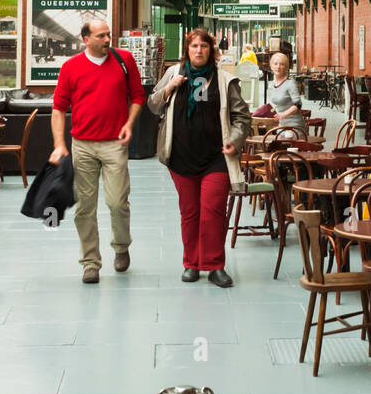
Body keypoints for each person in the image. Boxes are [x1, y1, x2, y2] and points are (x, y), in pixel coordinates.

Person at [147, 28, 251, 288]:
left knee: (212, 211)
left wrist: (235, 139)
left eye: (204, 46)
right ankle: (191, 263)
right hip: (181, 156)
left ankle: (215, 265)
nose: (198, 50)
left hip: (216, 157)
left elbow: (242, 116)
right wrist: (169, 87)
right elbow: (153, 105)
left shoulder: (224, 80)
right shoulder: (174, 73)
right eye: (194, 46)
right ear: (187, 50)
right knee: (190, 212)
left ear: (211, 51)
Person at [50, 20, 144, 284]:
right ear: (86, 39)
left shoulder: (124, 60)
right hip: (83, 145)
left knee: (117, 202)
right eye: (101, 36)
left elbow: (138, 96)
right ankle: (90, 263)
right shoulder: (71, 67)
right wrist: (59, 144)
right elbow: (58, 108)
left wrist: (129, 124)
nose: (107, 40)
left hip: (115, 144)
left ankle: (121, 245)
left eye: (108, 34)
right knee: (85, 208)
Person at [267, 51, 305, 132]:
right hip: (281, 124)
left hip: (294, 125)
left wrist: (283, 115)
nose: (278, 67)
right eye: (275, 64)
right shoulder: (272, 84)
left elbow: (298, 105)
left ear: (286, 67)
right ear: (271, 66)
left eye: (282, 64)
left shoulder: (290, 83)